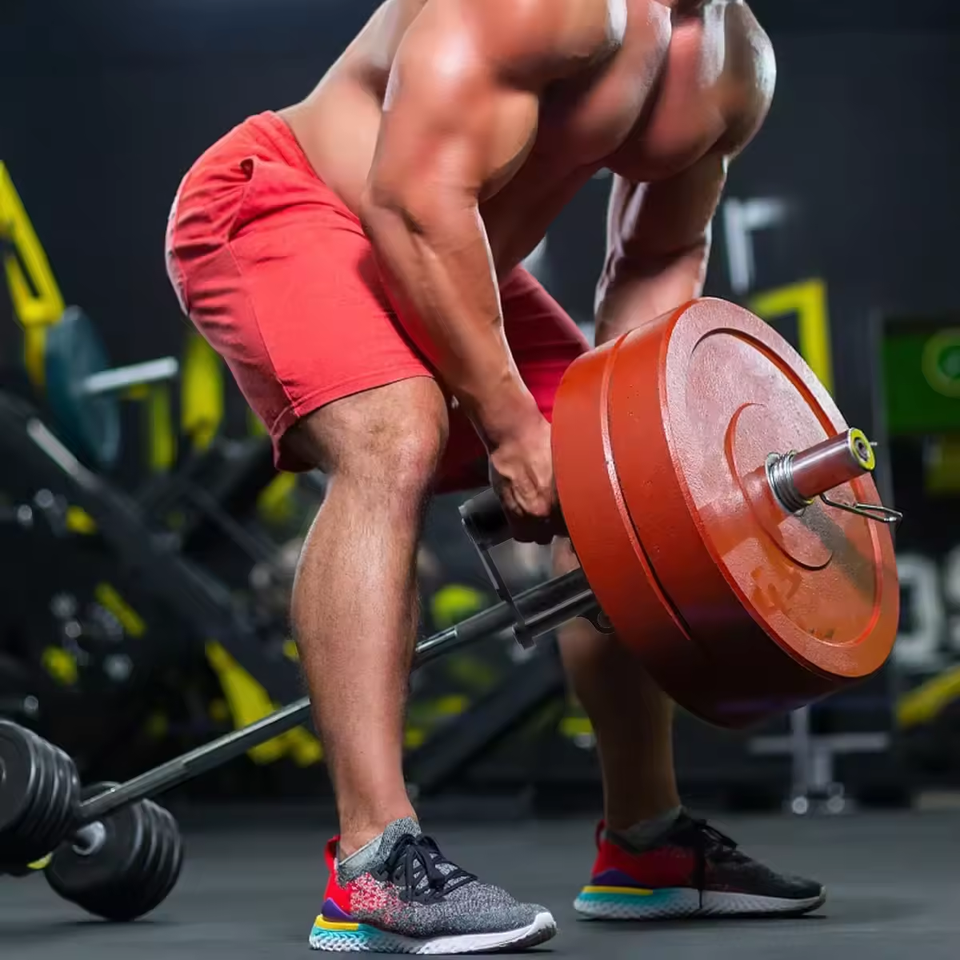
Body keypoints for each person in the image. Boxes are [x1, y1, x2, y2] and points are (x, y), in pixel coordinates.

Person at [166, 0, 824, 952]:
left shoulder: (735, 60)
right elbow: (410, 201)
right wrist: (511, 426)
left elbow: (659, 253)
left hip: (447, 241)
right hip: (296, 198)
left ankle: (645, 843)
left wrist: (637, 448)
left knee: (616, 474)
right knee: (395, 433)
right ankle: (373, 863)